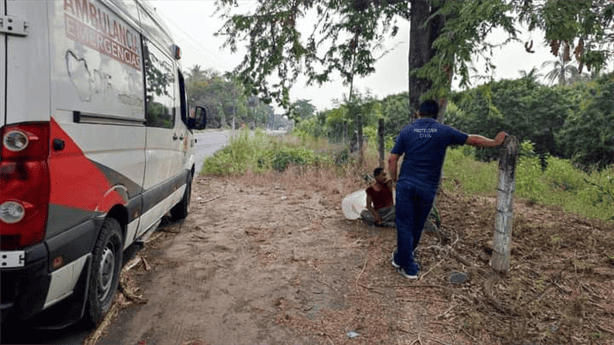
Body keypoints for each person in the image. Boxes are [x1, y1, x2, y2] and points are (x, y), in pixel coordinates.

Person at [388, 100, 506, 279]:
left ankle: (409, 267)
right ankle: (400, 258)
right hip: (427, 187)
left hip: (407, 184)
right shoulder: (444, 131)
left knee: (404, 224)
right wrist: (495, 143)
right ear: (436, 114)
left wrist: (395, 180)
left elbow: (392, 159)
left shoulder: (407, 130)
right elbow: (472, 139)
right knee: (417, 224)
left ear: (419, 113)